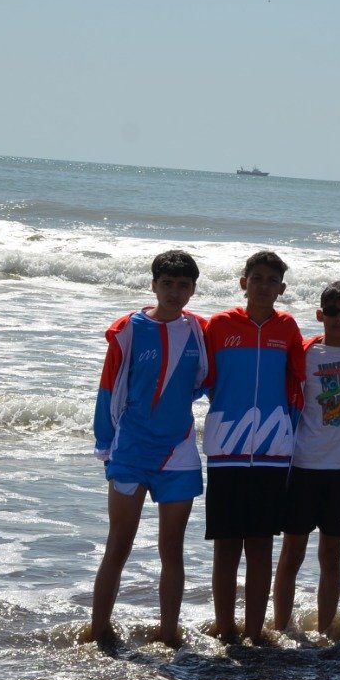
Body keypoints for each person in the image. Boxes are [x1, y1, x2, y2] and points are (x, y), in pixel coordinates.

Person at [88, 249, 209, 648]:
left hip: (178, 452)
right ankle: (98, 631)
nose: (175, 293)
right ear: (154, 285)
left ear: (192, 290)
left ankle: (169, 635)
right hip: (131, 450)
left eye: (183, 286)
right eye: (167, 284)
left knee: (171, 548)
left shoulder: (199, 331)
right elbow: (109, 388)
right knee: (118, 543)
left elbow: (206, 383)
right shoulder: (129, 328)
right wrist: (105, 444)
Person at [201, 251, 305, 644]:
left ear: (282, 288)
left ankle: (256, 632)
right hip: (226, 449)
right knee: (226, 546)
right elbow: (204, 378)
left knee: (261, 545)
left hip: (273, 453)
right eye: (256, 278)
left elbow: (301, 381)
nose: (263, 286)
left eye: (271, 280)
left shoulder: (288, 328)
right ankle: (226, 631)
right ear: (244, 282)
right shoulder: (219, 325)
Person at [275, 281, 340, 636]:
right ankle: (282, 629)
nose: (339, 319)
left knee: (331, 557)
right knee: (292, 554)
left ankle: (325, 632)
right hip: (302, 468)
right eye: (332, 312)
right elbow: (287, 404)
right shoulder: (304, 353)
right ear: (320, 314)